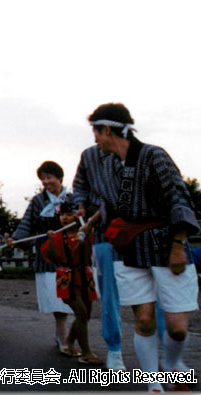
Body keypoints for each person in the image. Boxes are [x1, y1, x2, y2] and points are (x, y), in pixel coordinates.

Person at [87, 102, 200, 392]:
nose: (95, 139)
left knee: (176, 326)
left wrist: (178, 244)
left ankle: (173, 366)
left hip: (166, 244)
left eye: (96, 132)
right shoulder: (110, 164)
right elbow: (108, 205)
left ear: (108, 129)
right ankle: (154, 384)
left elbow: (179, 197)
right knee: (145, 319)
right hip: (129, 249)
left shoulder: (154, 155)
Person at [9, 161, 74, 355]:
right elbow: (26, 223)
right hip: (48, 256)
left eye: (50, 177)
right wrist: (15, 239)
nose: (46, 182)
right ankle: (62, 336)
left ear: (60, 178)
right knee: (57, 299)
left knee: (72, 298)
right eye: (43, 178)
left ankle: (63, 334)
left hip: (70, 255)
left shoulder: (72, 199)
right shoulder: (38, 201)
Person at [72, 144, 128, 370]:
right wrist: (81, 205)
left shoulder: (138, 153)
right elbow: (80, 185)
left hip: (140, 234)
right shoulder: (89, 155)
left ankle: (169, 357)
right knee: (110, 296)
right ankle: (114, 350)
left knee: (150, 298)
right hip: (106, 235)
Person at [41, 200, 102, 365]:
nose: (64, 218)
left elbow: (91, 252)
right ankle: (86, 353)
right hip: (66, 277)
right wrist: (51, 240)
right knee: (81, 313)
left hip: (85, 274)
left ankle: (68, 342)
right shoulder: (59, 236)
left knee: (86, 314)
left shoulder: (89, 231)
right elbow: (52, 258)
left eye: (69, 214)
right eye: (62, 214)